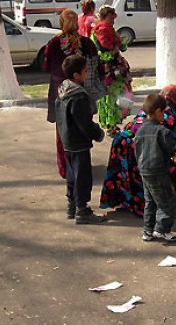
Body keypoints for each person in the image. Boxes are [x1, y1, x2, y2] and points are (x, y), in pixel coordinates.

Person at [44, 9, 99, 180]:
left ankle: (65, 167)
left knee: (62, 128)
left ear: (61, 23)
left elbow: (45, 66)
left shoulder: (53, 43)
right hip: (80, 92)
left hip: (58, 91)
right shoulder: (86, 43)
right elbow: (97, 63)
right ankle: (80, 165)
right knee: (82, 124)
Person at [135, 94, 176, 243]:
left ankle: (147, 231)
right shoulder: (161, 131)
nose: (164, 115)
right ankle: (162, 230)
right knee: (166, 201)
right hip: (158, 171)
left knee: (150, 202)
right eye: (163, 112)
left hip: (144, 170)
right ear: (157, 112)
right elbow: (174, 145)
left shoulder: (140, 130)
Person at [55, 55, 106, 224]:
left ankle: (72, 204)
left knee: (71, 174)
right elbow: (84, 122)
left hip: (67, 140)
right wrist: (97, 133)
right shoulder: (78, 96)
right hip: (78, 142)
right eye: (85, 71)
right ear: (76, 75)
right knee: (82, 176)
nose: (87, 73)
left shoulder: (63, 90)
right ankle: (82, 210)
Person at [91, 5, 133, 136]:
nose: (113, 20)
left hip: (114, 71)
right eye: (111, 17)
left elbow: (122, 46)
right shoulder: (101, 31)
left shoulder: (109, 30)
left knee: (115, 96)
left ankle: (112, 124)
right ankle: (110, 126)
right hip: (107, 71)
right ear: (104, 17)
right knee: (109, 97)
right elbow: (103, 53)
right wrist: (115, 49)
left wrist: (118, 43)